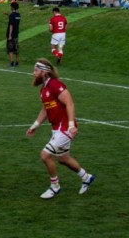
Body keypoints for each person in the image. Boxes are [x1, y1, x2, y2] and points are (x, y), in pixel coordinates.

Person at [25, 59, 95, 199]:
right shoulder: (44, 89)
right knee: (63, 159)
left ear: (44, 72)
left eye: (36, 70)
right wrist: (35, 126)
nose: (33, 73)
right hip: (57, 128)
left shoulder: (56, 85)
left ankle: (55, 187)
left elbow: (69, 103)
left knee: (45, 155)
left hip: (65, 128)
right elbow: (46, 109)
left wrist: (71, 126)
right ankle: (86, 177)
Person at [6, 2, 21, 67]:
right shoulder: (18, 15)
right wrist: (8, 15)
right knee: (16, 48)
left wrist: (9, 35)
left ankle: (11, 62)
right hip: (16, 33)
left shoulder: (12, 15)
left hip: (11, 34)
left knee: (10, 49)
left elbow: (11, 25)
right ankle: (17, 62)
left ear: (12, 7)